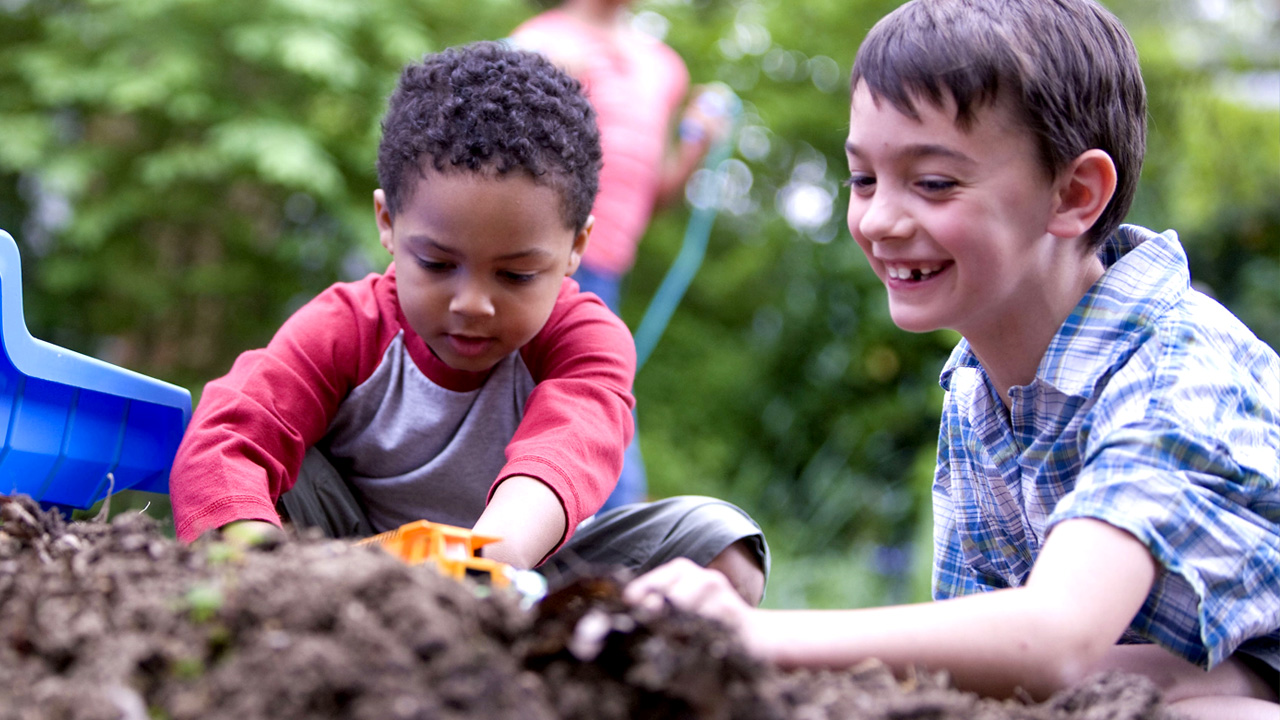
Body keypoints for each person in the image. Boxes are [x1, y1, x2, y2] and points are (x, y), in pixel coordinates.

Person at [623, 1, 1280, 716]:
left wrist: (748, 634)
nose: (879, 220)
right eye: (863, 179)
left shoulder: (1175, 372)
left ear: (1074, 193)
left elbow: (1055, 637)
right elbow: (973, 658)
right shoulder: (979, 382)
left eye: (933, 183)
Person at [168, 41, 768, 605]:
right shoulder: (346, 325)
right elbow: (227, 437)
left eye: (515, 276)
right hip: (335, 564)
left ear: (576, 246)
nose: (472, 303)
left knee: (722, 543)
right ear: (388, 223)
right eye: (436, 264)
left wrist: (479, 563)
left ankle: (566, 668)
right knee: (257, 467)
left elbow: (564, 452)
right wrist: (261, 569)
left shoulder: (585, 340)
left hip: (519, 578)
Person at [510, 0, 730, 512]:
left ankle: (599, 546)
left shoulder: (664, 67)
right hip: (534, 255)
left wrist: (695, 145)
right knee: (584, 402)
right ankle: (620, 542)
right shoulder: (539, 38)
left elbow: (653, 194)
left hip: (605, 266)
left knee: (580, 400)